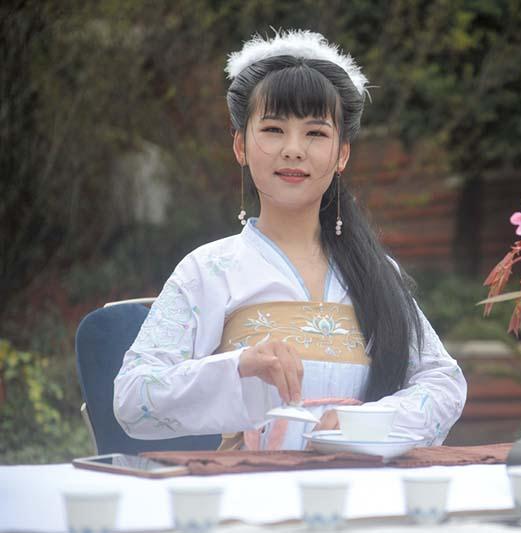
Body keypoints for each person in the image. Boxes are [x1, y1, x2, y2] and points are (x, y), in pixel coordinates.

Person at [113, 30, 467, 451]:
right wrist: (238, 366)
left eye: (315, 133)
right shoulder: (209, 270)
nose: (294, 149)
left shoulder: (377, 273)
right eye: (273, 129)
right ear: (241, 146)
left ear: (342, 154)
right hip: (249, 487)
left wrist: (369, 420)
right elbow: (133, 396)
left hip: (361, 485)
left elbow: (443, 382)